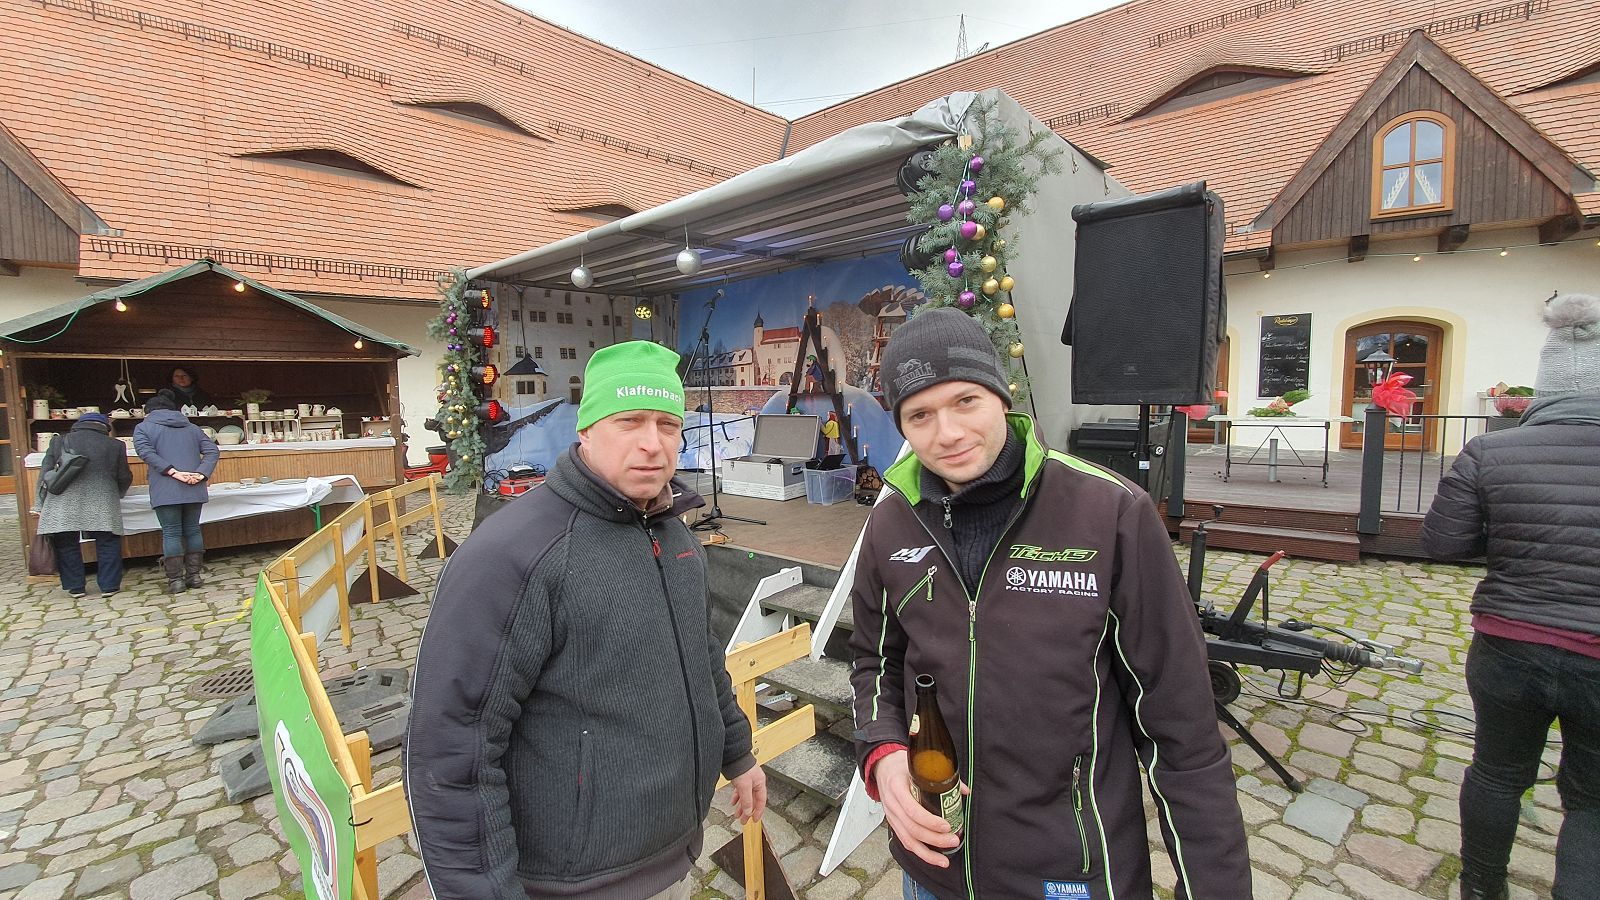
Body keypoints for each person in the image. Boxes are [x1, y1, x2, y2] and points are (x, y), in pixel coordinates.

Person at [848, 307, 1250, 899]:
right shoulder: (892, 520)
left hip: (1069, 873)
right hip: (934, 868)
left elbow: (1181, 730)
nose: (947, 433)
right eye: (920, 415)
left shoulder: (1110, 513)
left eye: (965, 401)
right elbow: (875, 660)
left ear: (1001, 395)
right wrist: (883, 753)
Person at [407, 341, 766, 899]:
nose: (652, 443)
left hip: (671, 853)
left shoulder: (675, 535)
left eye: (668, 424)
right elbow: (454, 744)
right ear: (587, 430)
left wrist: (738, 754)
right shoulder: (512, 555)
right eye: (629, 421)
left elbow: (703, 661)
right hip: (572, 882)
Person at [1421, 292, 1600, 900]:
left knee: (1497, 773)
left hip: (1511, 640)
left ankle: (1480, 889)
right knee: (1593, 800)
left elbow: (1443, 544)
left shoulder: (1493, 451)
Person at [34, 412, 133, 597]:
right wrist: (117, 494)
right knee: (108, 541)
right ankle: (109, 586)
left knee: (66, 543)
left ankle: (75, 587)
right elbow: (124, 476)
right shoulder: (115, 445)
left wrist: (39, 504)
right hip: (102, 499)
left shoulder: (59, 441)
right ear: (105, 428)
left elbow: (45, 473)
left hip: (63, 500)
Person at [132, 389, 218, 594]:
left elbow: (146, 453)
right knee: (193, 529)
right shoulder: (192, 428)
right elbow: (212, 450)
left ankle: (176, 581)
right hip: (194, 486)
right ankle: (194, 576)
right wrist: (200, 474)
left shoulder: (143, 428)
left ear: (148, 412)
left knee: (171, 532)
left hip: (165, 487)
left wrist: (173, 472)